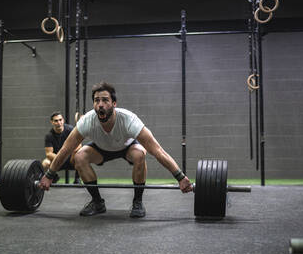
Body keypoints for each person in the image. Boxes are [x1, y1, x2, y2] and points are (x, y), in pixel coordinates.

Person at [38, 81, 193, 218]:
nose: (100, 104)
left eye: (105, 100)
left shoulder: (129, 120)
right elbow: (65, 150)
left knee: (140, 154)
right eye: (96, 100)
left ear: (114, 103)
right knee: (79, 156)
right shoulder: (87, 121)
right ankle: (98, 202)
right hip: (100, 149)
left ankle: (137, 202)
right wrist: (49, 175)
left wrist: (180, 177)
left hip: (127, 148)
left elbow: (158, 150)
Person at [42, 111, 81, 184]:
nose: (59, 122)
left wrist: (72, 155)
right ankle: (54, 177)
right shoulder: (49, 136)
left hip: (71, 160)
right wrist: (61, 157)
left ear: (63, 120)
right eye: (56, 121)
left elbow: (79, 145)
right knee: (45, 163)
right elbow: (49, 154)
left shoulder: (70, 130)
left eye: (60, 120)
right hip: (58, 160)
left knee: (80, 157)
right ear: (52, 122)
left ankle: (77, 179)